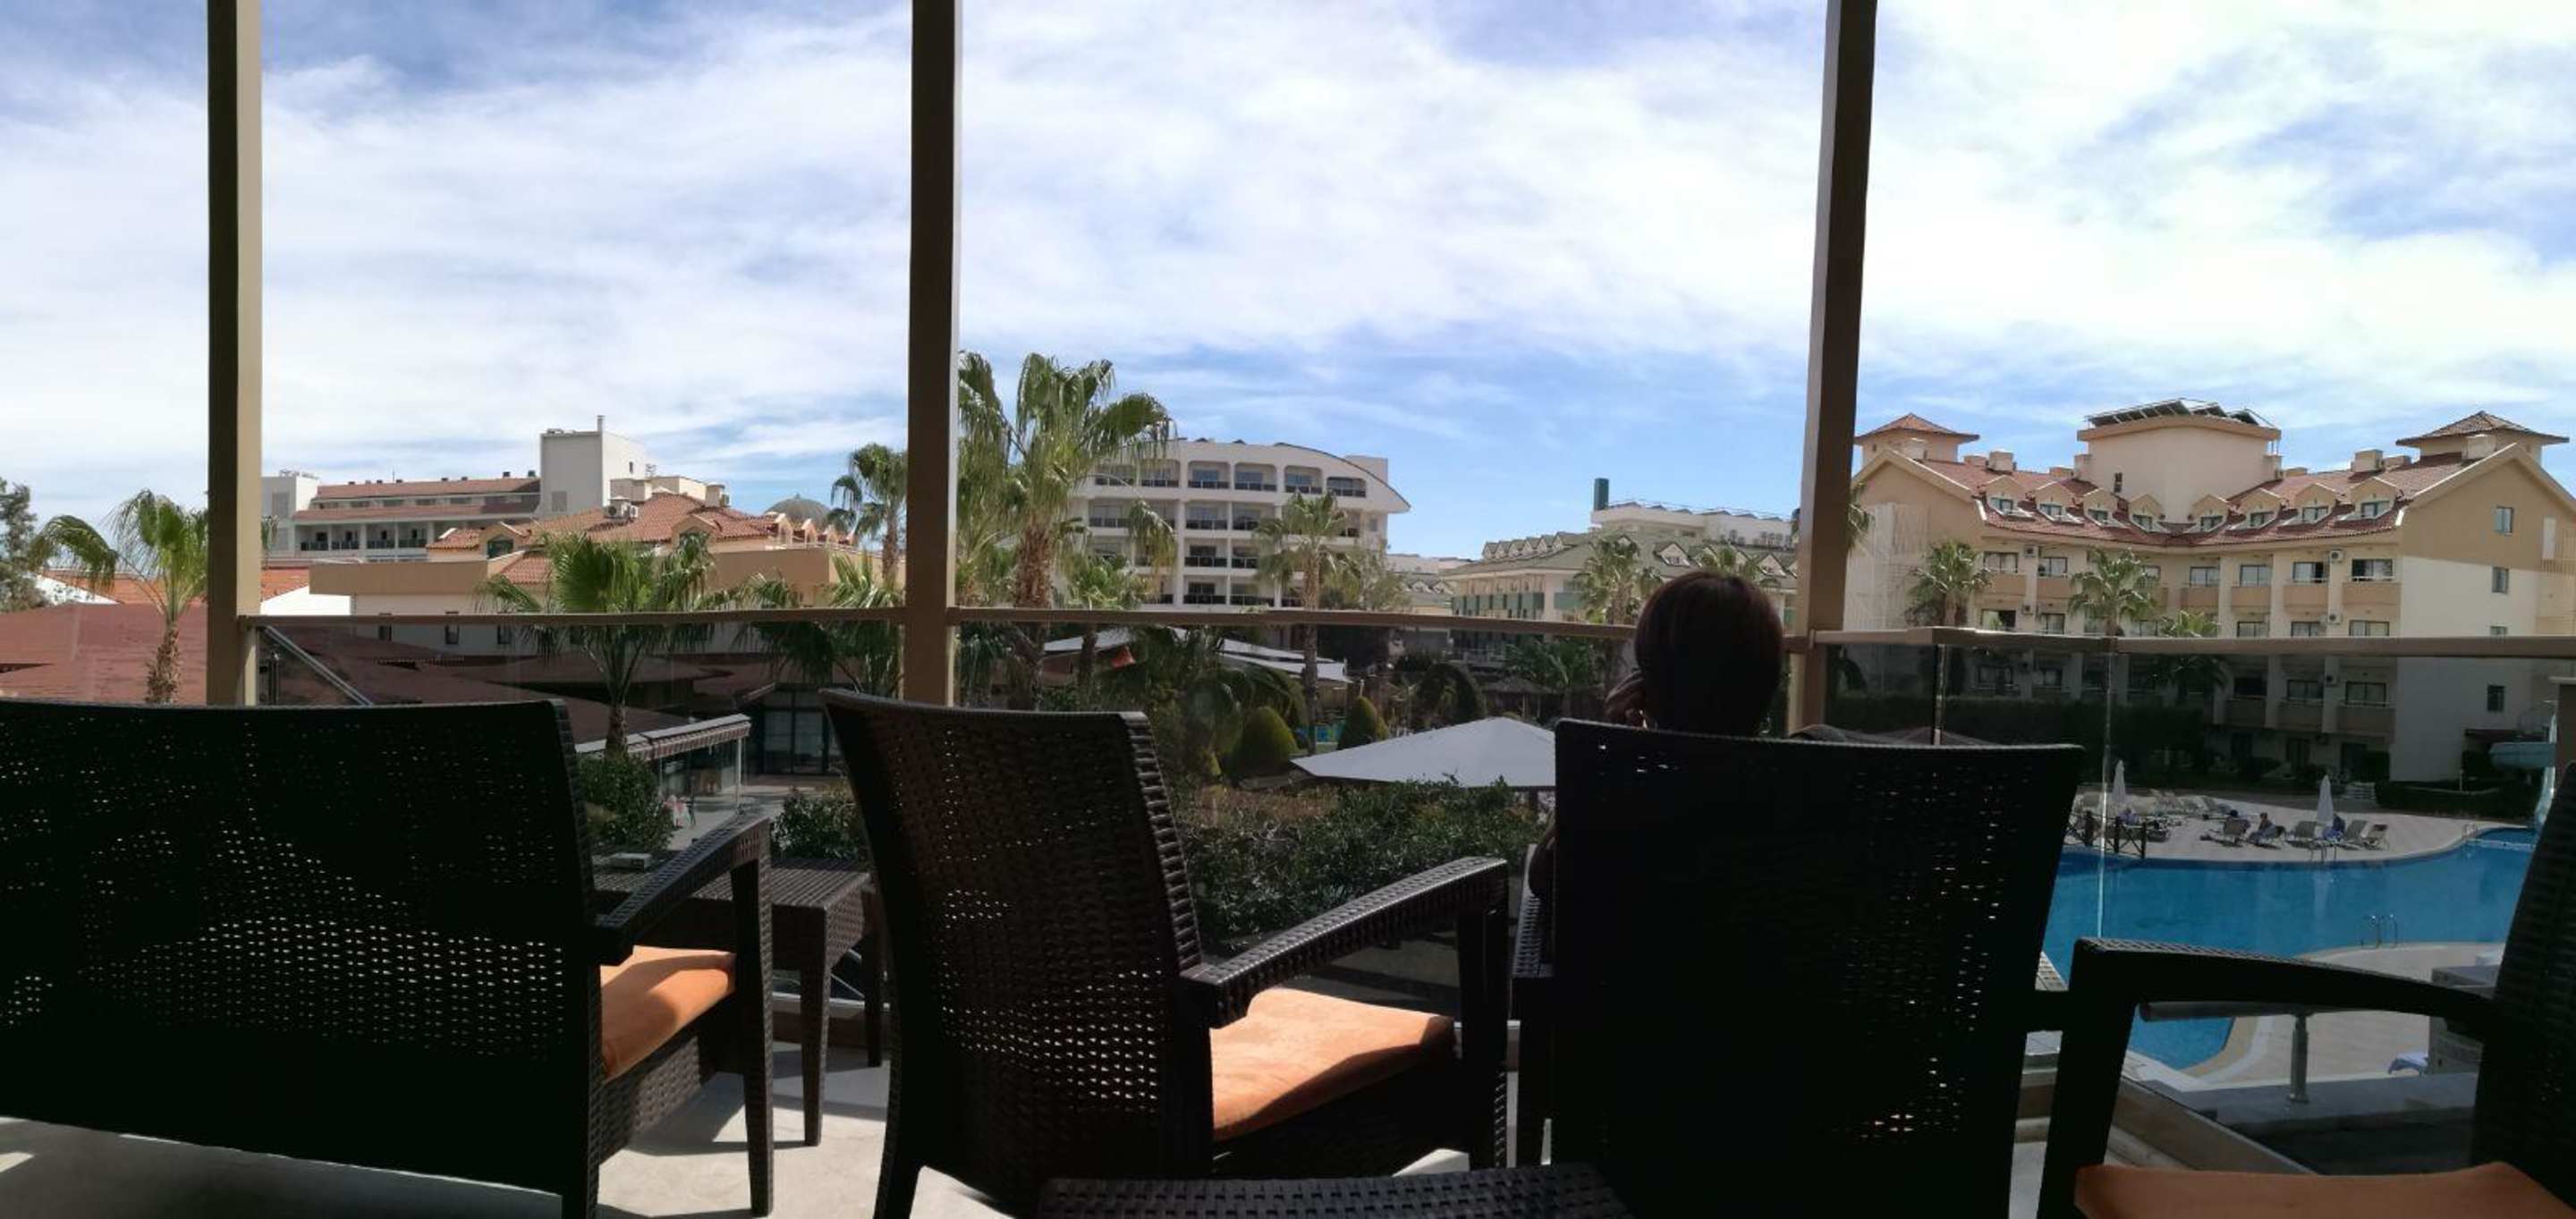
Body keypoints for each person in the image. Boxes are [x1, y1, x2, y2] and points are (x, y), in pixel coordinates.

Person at [1528, 571, 1785, 916]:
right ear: (1768, 678)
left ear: (1647, 686)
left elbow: (1545, 879)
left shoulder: (1630, 795)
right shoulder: (1800, 784)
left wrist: (1608, 746)